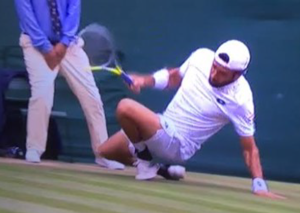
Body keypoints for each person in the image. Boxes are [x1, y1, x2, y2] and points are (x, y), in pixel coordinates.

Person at [98, 40, 285, 198]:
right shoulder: (201, 57)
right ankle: (161, 169)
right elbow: (174, 77)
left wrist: (259, 184)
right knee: (104, 151)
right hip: (161, 124)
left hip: (178, 144)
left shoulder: (241, 100)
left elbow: (249, 148)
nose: (214, 74)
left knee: (125, 107)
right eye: (214, 67)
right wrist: (143, 80)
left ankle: (145, 158)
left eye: (222, 73)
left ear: (237, 75)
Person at [14, 0, 124, 169]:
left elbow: (73, 10)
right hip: (35, 44)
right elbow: (27, 18)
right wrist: (45, 48)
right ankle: (34, 148)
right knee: (42, 94)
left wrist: (64, 44)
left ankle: (103, 153)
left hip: (69, 46)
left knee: (92, 97)